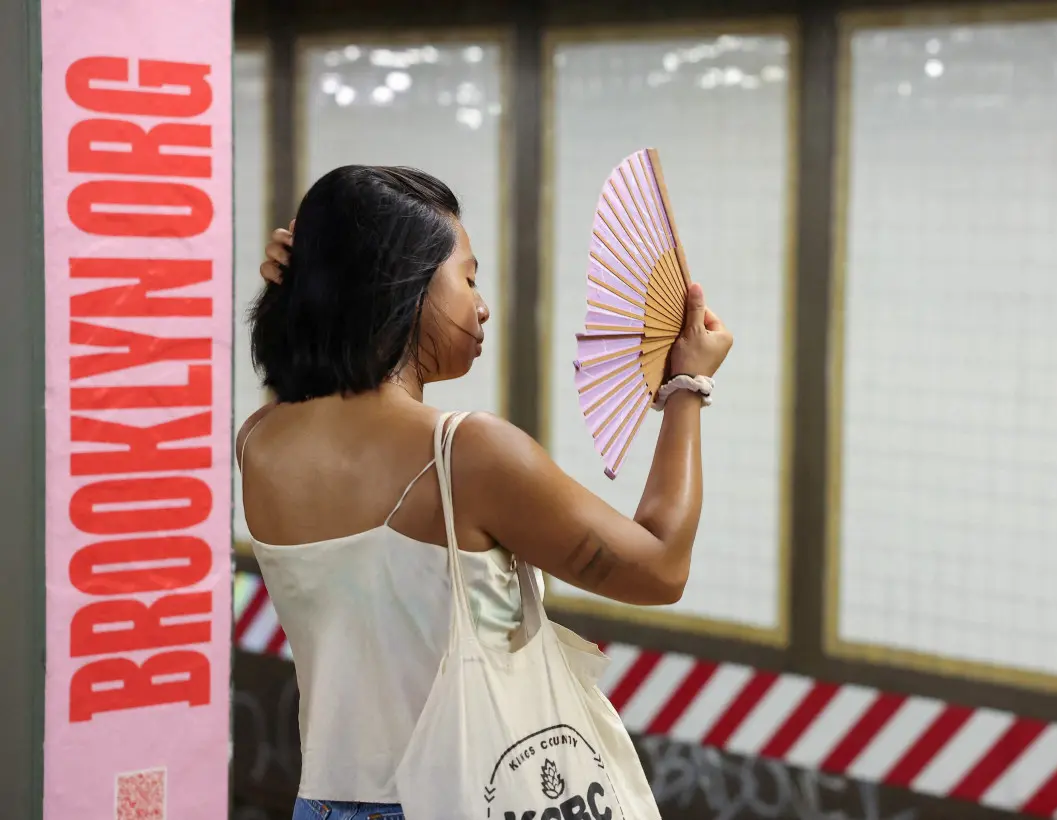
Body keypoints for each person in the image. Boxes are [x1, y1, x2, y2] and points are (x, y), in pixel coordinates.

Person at [238, 165, 732, 820]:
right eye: (467, 277)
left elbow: (301, 374)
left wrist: (298, 291)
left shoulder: (259, 444)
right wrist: (686, 390)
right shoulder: (464, 455)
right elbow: (661, 565)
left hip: (327, 802)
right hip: (465, 798)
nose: (482, 305)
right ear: (403, 286)